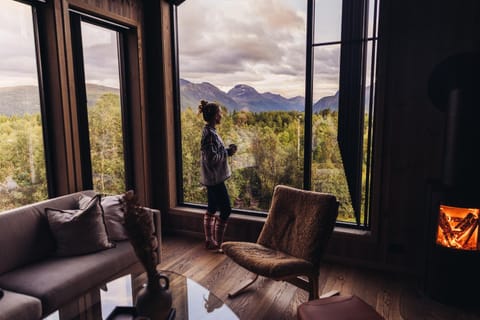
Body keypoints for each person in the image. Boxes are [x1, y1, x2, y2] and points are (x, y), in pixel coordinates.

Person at [198, 100, 237, 252]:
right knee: (226, 210)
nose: (222, 115)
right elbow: (212, 159)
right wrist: (227, 152)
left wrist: (227, 151)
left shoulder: (210, 131)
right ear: (215, 116)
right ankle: (219, 245)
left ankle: (209, 241)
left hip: (211, 178)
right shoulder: (209, 135)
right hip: (214, 179)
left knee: (212, 208)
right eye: (220, 112)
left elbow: (212, 154)